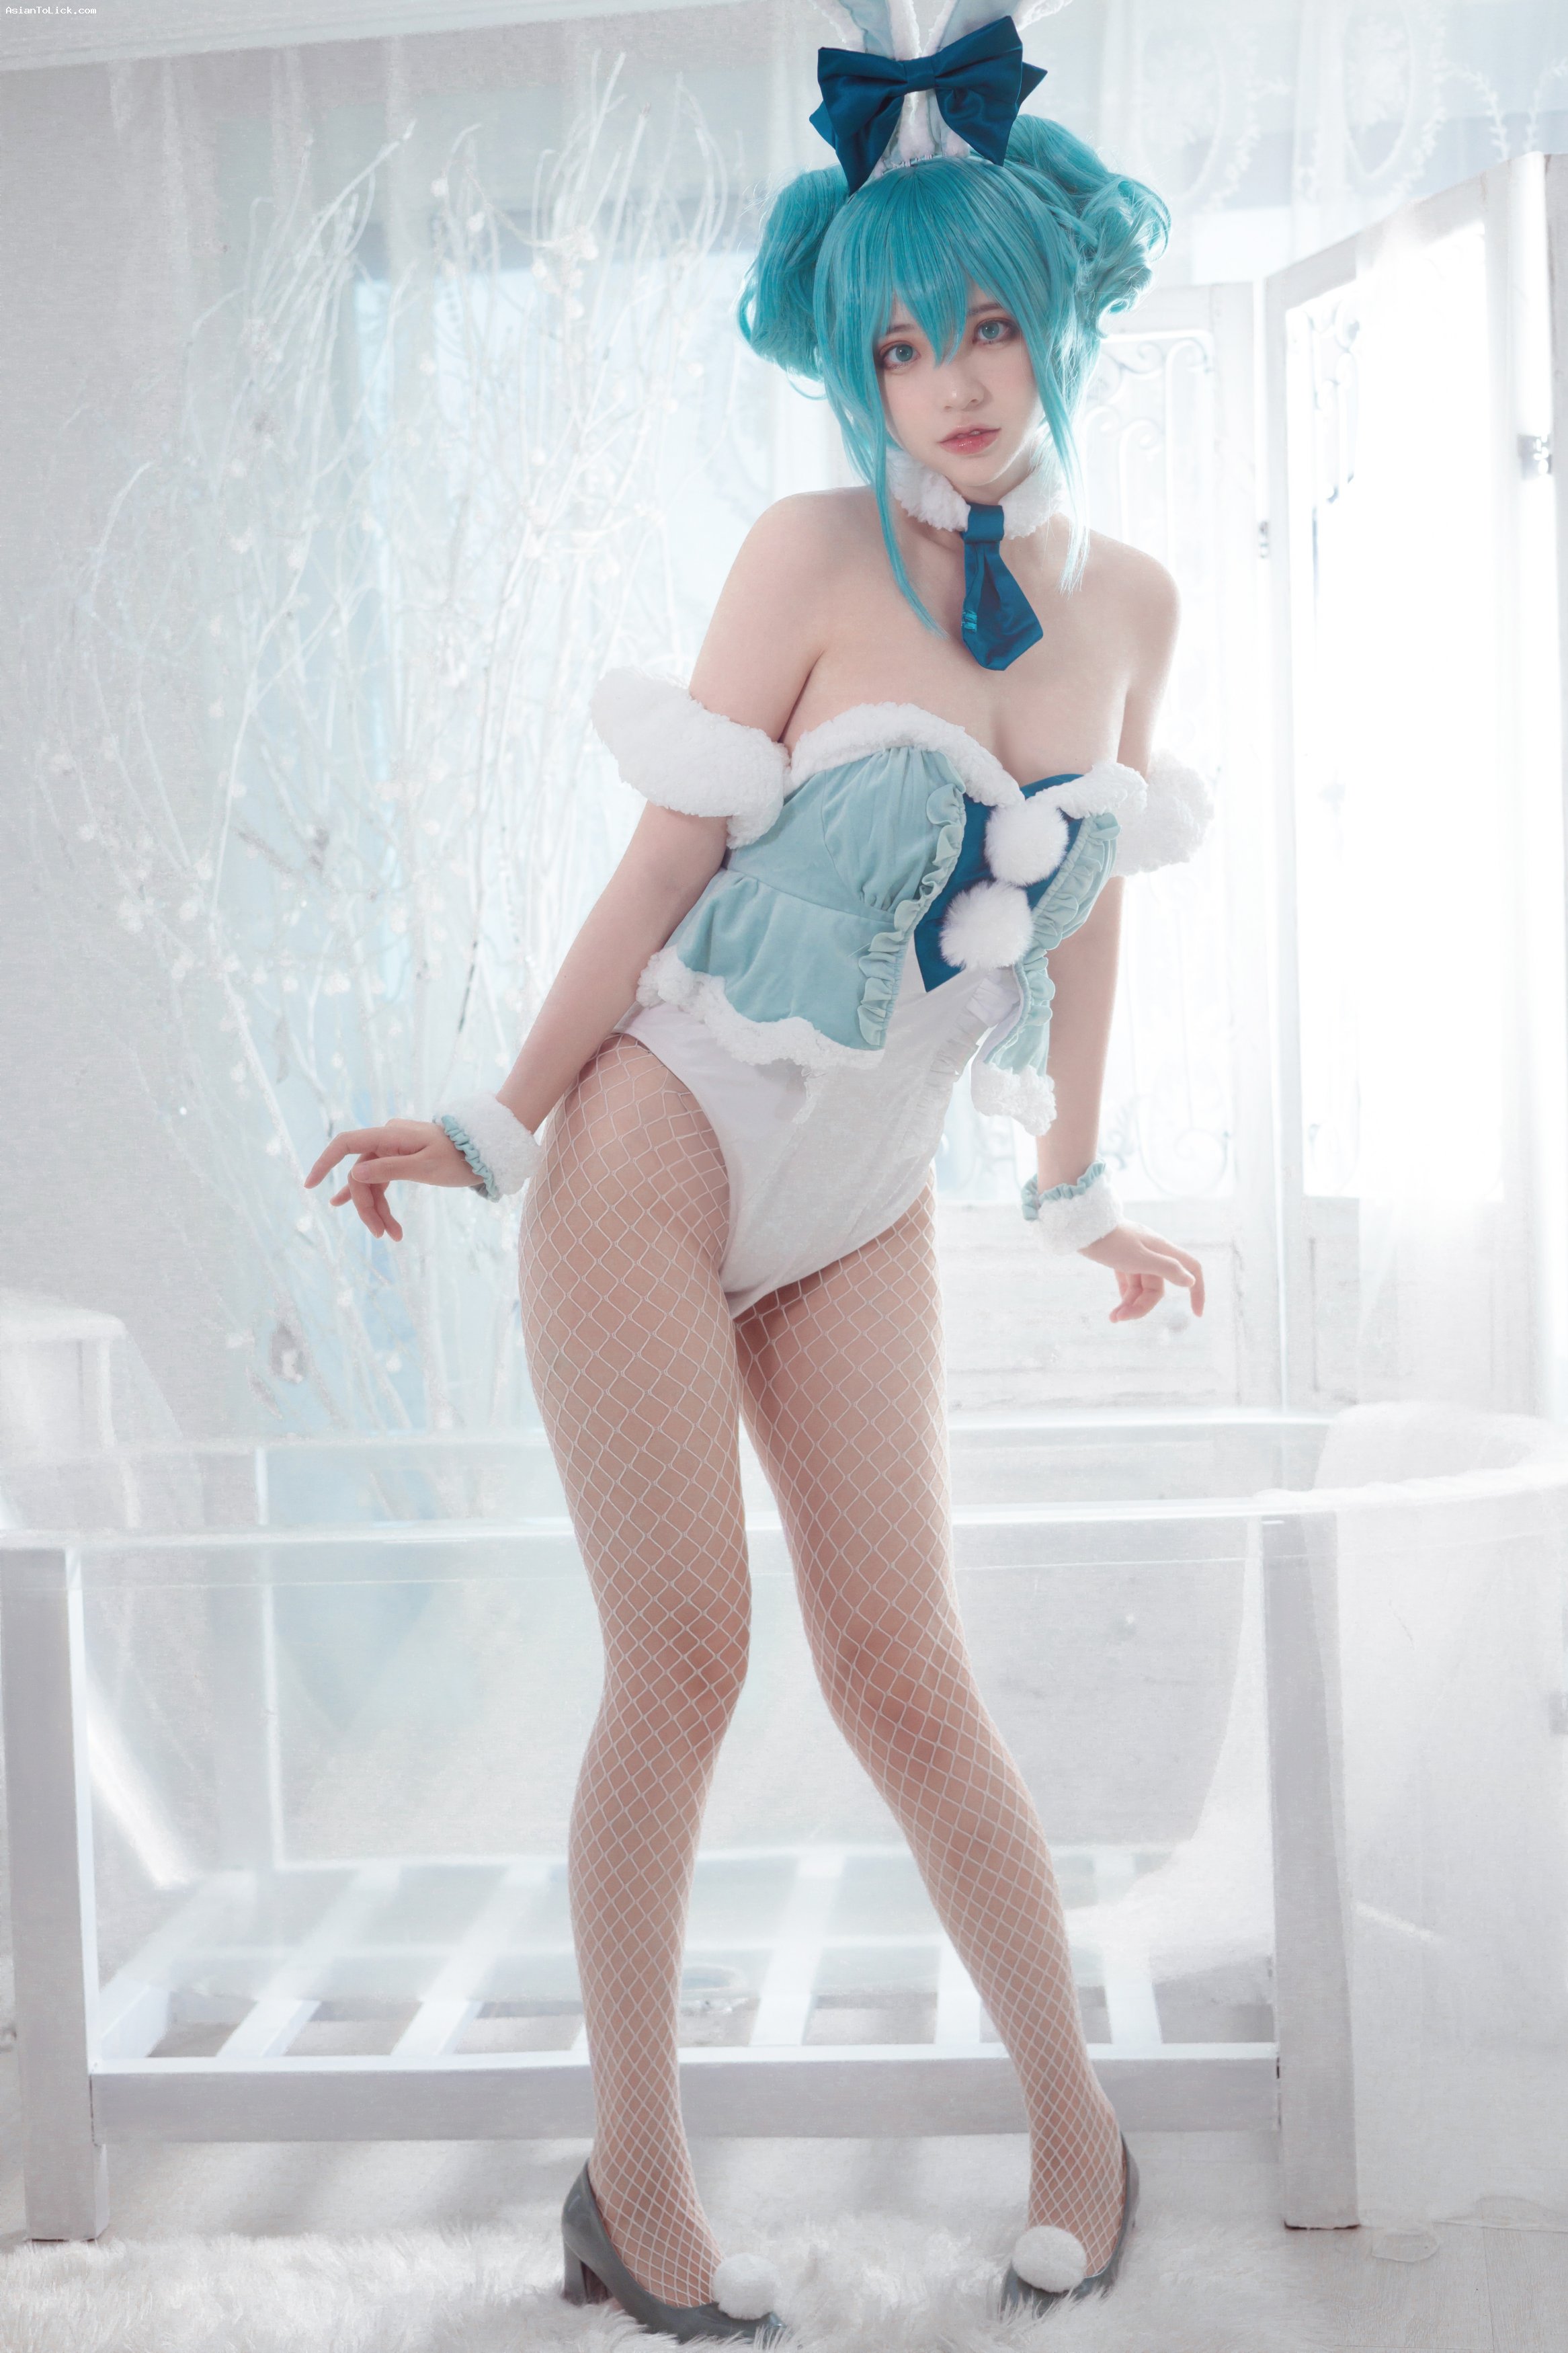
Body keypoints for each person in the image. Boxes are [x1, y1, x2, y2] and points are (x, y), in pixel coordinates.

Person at [306, 5, 1211, 2339]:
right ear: (854, 367)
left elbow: (1094, 917)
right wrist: (501, 1115)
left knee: (907, 1672)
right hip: (660, 1142)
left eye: (987, 322)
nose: (955, 380)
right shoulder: (808, 554)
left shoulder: (1132, 605)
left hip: (870, 1198)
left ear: (1055, 314)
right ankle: (639, 2196)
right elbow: (666, 861)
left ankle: (1085, 2140)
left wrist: (1083, 1190)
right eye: (901, 346)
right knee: (686, 1663)